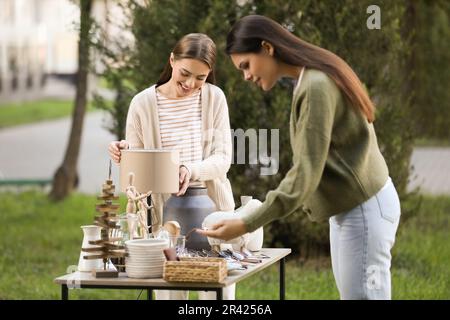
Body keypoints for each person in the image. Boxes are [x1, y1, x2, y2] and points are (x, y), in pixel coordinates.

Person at [197, 15, 401, 300]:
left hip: (363, 209)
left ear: (267, 48)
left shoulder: (315, 86)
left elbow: (304, 175)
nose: (245, 76)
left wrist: (246, 223)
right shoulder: (309, 78)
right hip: (353, 209)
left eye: (246, 65)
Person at [108, 33, 235, 300]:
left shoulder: (215, 98)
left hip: (213, 214)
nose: (191, 84)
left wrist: (190, 169)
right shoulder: (142, 104)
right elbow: (136, 174)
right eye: (185, 73)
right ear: (172, 60)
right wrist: (125, 155)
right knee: (170, 295)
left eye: (201, 78)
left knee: (216, 297)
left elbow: (223, 158)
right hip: (164, 222)